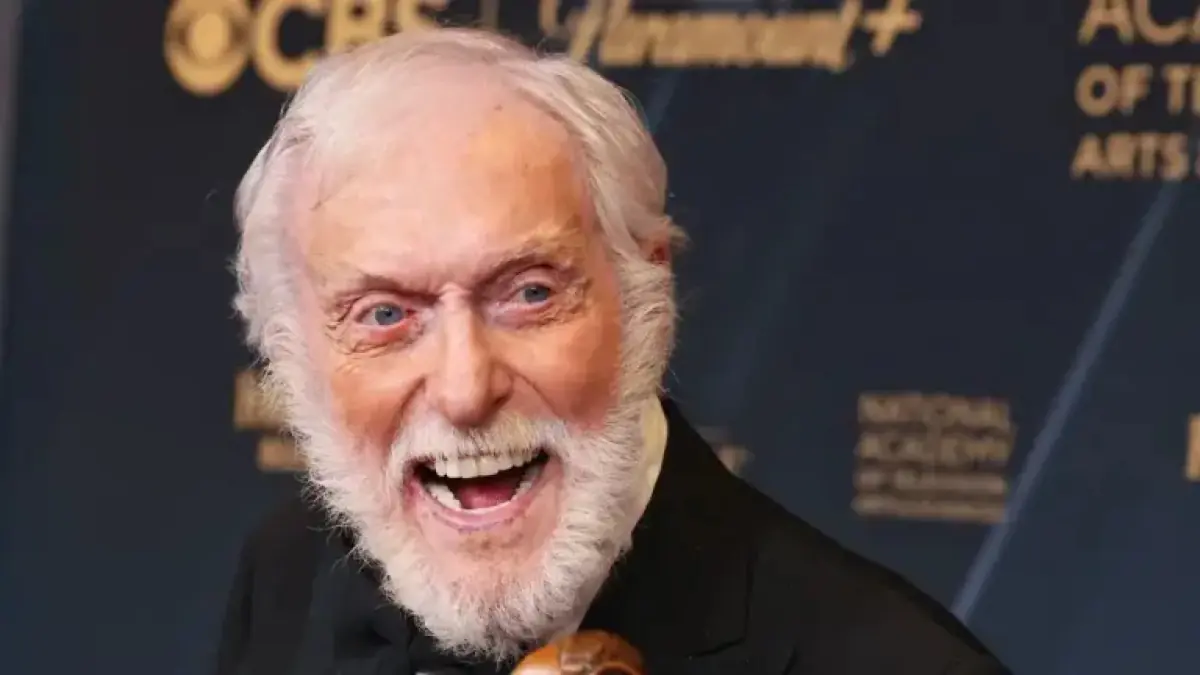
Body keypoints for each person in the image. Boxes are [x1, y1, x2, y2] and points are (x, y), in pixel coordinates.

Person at [216, 27, 1010, 675]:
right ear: (292, 350)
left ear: (644, 297)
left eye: (529, 293)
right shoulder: (285, 577)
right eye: (385, 314)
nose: (464, 388)